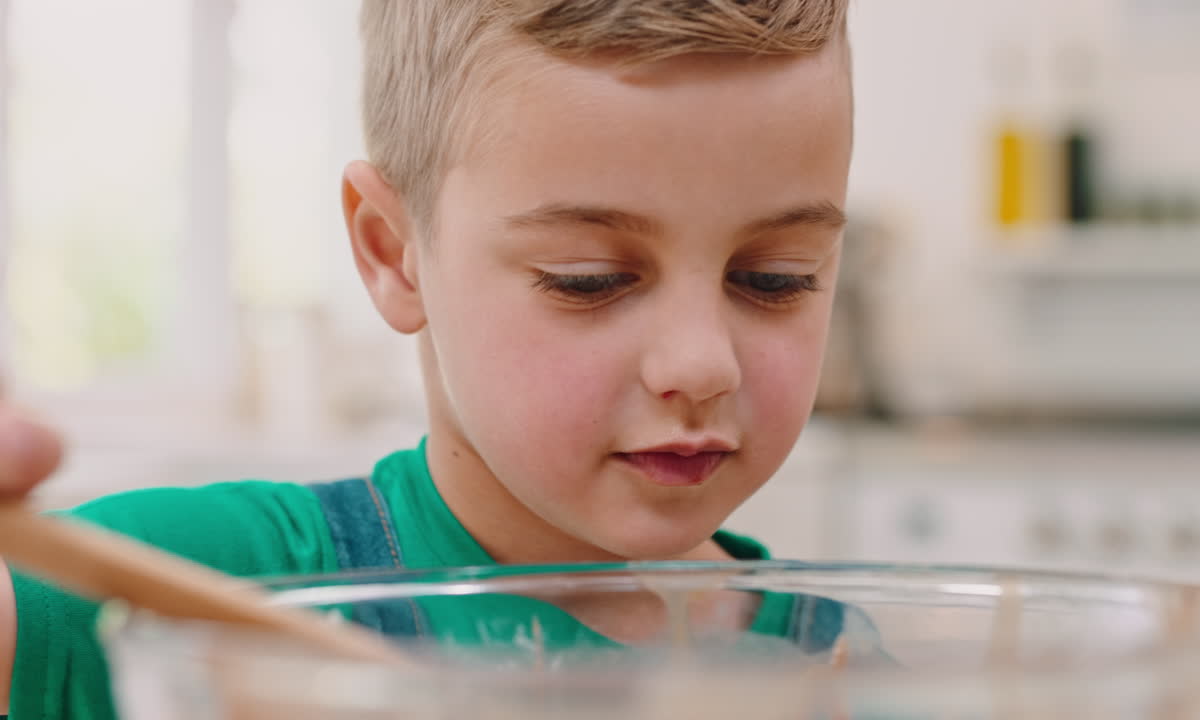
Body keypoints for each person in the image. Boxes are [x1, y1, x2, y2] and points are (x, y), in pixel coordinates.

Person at [0, 0, 854, 717]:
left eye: (774, 279)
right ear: (393, 251)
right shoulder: (205, 581)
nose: (702, 365)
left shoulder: (846, 666)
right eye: (588, 281)